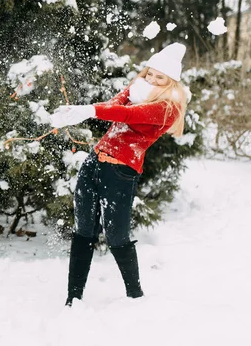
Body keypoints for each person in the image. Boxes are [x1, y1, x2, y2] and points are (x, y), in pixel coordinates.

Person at [49, 43, 188, 306]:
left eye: (160, 77)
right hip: (94, 163)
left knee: (116, 236)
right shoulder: (138, 89)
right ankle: (73, 298)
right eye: (150, 73)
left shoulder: (168, 107)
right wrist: (73, 113)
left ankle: (135, 297)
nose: (152, 79)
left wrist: (88, 110)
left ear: (172, 81)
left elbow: (127, 114)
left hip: (121, 171)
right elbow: (114, 105)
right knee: (83, 231)